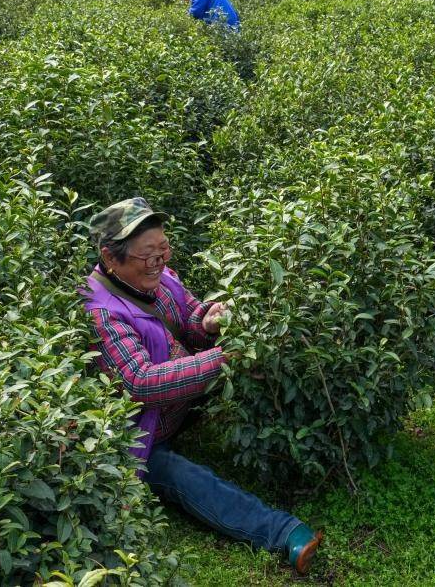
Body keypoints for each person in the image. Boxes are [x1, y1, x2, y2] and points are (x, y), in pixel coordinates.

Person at [82, 198, 322, 575]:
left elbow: (187, 316)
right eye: (148, 254)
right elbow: (140, 382)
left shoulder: (159, 277)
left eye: (163, 248)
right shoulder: (100, 312)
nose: (159, 260)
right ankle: (282, 532)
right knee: (180, 475)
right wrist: (222, 358)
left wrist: (206, 322)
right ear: (111, 258)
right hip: (141, 432)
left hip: (185, 401)